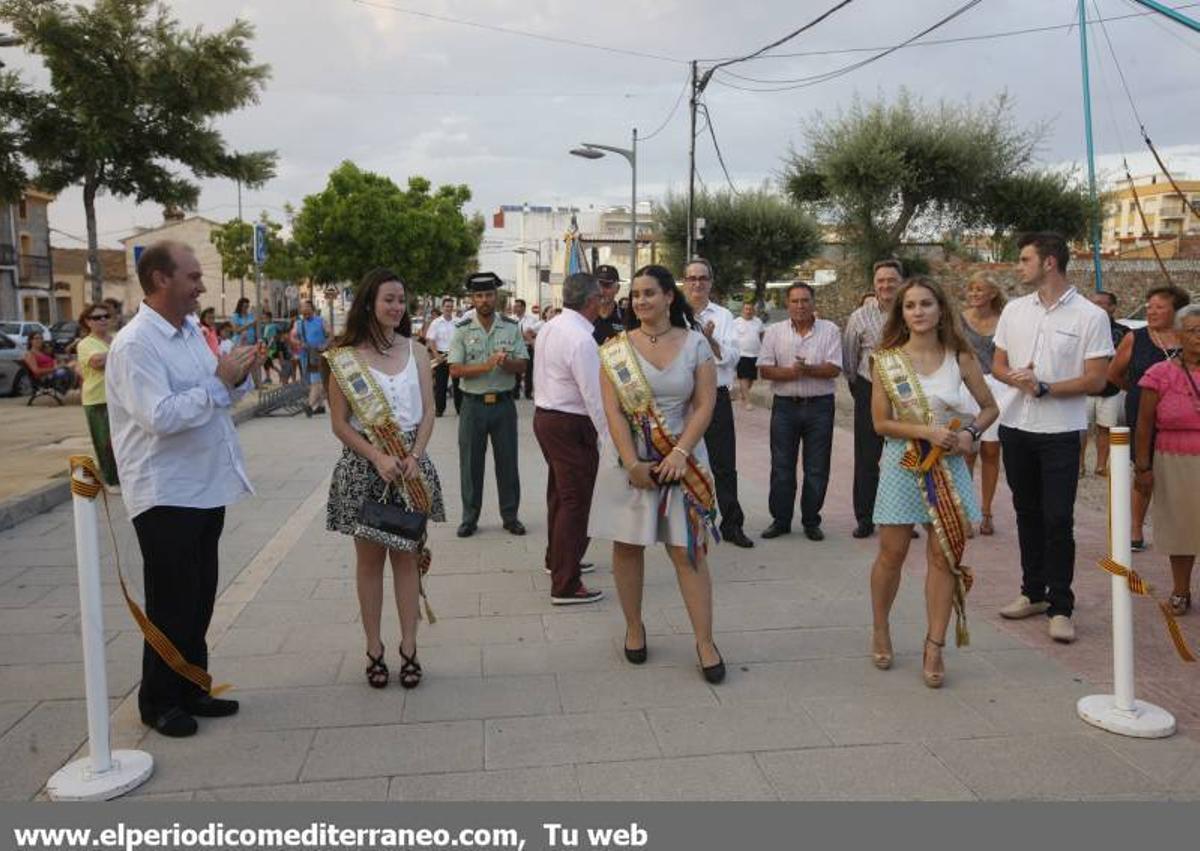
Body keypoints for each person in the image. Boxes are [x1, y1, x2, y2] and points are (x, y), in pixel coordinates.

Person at [106, 240, 259, 737]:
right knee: (171, 602)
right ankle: (159, 700)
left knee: (199, 598)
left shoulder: (191, 331)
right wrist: (220, 383)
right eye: (192, 277)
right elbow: (160, 417)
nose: (200, 287)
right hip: (165, 491)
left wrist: (237, 376)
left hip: (204, 485)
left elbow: (214, 392)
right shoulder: (135, 345)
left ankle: (193, 685)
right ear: (160, 281)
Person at [589, 264, 725, 682]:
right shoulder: (615, 348)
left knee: (688, 550)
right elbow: (612, 409)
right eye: (636, 294)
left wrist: (681, 452)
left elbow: (705, 404)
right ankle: (634, 627)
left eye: (650, 292)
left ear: (669, 296)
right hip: (628, 461)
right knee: (629, 547)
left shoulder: (696, 344)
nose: (641, 301)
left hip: (682, 457)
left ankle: (705, 641)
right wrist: (632, 463)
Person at [869, 277, 997, 688]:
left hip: (948, 466)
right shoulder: (886, 359)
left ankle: (934, 644)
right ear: (901, 313)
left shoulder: (960, 356)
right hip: (902, 462)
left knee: (944, 558)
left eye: (926, 304)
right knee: (892, 555)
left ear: (941, 309)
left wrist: (969, 436)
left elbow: (989, 407)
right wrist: (926, 433)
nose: (919, 312)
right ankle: (881, 628)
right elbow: (880, 422)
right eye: (910, 306)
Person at [325, 268, 444, 689]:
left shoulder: (417, 351)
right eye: (388, 299)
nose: (396, 307)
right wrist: (376, 456)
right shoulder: (344, 356)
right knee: (370, 563)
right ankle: (374, 647)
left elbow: (429, 411)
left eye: (400, 300)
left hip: (410, 468)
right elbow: (339, 423)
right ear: (369, 303)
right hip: (366, 469)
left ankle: (409, 647)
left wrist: (415, 454)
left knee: (407, 560)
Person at [993, 232, 1112, 643]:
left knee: (1058, 518)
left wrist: (1045, 387)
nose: (1018, 266)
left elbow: (1097, 380)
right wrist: (1015, 377)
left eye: (1024, 259)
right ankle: (1033, 593)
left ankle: (1062, 606)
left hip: (1060, 432)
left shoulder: (1090, 316)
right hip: (1015, 427)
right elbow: (998, 362)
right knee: (1026, 513)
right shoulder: (1013, 311)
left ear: (1049, 263)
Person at [532, 273, 607, 605]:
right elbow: (594, 396)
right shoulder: (581, 339)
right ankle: (566, 581)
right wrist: (610, 438)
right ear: (592, 301)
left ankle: (559, 558)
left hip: (547, 416)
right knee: (577, 501)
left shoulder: (551, 326)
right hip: (570, 423)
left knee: (561, 497)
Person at [756, 282, 842, 541]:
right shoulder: (774, 332)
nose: (800, 306)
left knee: (816, 468)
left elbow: (834, 368)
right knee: (782, 467)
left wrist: (808, 370)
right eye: (795, 301)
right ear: (787, 304)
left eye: (805, 300)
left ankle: (811, 520)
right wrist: (793, 372)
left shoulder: (830, 330)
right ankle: (780, 520)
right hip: (785, 407)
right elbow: (765, 369)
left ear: (813, 303)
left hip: (820, 407)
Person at [1108, 284, 1190, 551]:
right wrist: (1136, 391)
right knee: (1143, 468)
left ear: (1176, 312)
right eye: (1149, 306)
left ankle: (1179, 528)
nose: (1151, 311)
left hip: (1181, 417)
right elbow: (1114, 374)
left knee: (1178, 470)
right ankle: (1135, 530)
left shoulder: (1187, 338)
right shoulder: (1136, 338)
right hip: (1142, 412)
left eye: (1159, 307)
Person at [448, 271, 529, 538]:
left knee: (508, 463)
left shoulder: (510, 326)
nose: (484, 300)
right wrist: (487, 364)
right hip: (473, 405)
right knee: (470, 465)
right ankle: (469, 518)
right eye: (479, 295)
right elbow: (456, 370)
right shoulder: (461, 329)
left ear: (496, 296)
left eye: (489, 294)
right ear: (472, 298)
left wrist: (507, 363)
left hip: (504, 405)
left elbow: (523, 364)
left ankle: (510, 516)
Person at [682, 258, 753, 549]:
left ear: (711, 282)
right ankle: (686, 521)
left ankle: (732, 523)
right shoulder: (673, 314)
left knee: (724, 464)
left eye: (703, 278)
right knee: (683, 460)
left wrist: (708, 341)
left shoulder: (724, 316)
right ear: (684, 282)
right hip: (683, 399)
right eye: (692, 278)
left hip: (716, 397)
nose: (697, 283)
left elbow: (732, 358)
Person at [1134, 304, 1200, 617]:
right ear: (1177, 336)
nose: (1199, 337)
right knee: (1181, 529)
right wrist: (1143, 467)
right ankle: (1181, 590)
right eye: (1192, 331)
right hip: (1173, 460)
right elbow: (1144, 425)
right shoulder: (1159, 374)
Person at [843, 260, 904, 539]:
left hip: (907, 393)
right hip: (869, 389)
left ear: (901, 282)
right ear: (874, 283)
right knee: (867, 458)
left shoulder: (911, 312)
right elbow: (849, 357)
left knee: (904, 456)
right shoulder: (860, 317)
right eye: (881, 281)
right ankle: (865, 518)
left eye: (891, 280)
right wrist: (859, 389)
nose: (886, 285)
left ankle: (902, 517)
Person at [959, 272, 1012, 536]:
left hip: (997, 388)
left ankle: (987, 511)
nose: (975, 294)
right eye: (971, 289)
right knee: (966, 449)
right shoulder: (959, 320)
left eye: (980, 289)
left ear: (992, 293)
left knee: (991, 451)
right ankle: (967, 512)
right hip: (966, 386)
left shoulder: (1006, 320)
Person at [1082, 291, 1130, 478]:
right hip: (1084, 389)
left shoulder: (1124, 332)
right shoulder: (1080, 329)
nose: (1096, 306)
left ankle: (1101, 465)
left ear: (1112, 307)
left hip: (1111, 389)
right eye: (1093, 303)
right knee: (1080, 430)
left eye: (1101, 303)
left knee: (1106, 428)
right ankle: (1079, 465)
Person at [75, 303, 119, 487]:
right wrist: (121, 353)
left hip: (121, 398)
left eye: (105, 316)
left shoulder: (118, 338)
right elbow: (97, 362)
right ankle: (111, 481)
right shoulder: (85, 344)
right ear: (87, 322)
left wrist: (113, 353)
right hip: (98, 399)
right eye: (96, 317)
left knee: (122, 441)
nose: (102, 320)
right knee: (105, 443)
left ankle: (125, 478)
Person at [295, 298, 331, 416]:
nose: (305, 314)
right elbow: (292, 337)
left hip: (318, 355)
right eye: (303, 312)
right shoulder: (299, 323)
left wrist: (324, 345)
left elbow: (331, 335)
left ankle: (310, 406)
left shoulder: (321, 321)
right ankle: (320, 406)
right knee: (313, 382)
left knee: (316, 382)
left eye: (308, 312)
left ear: (313, 310)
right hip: (306, 356)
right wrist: (300, 343)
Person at [423, 297, 458, 416]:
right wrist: (436, 355)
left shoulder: (458, 322)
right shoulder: (436, 322)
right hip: (441, 355)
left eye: (451, 306)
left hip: (455, 356)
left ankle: (460, 409)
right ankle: (439, 409)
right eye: (447, 306)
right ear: (443, 308)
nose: (449, 308)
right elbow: (431, 339)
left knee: (457, 385)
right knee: (440, 385)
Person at [732, 300, 764, 410]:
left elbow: (761, 335)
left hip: (755, 354)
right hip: (742, 354)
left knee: (751, 379)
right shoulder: (735, 322)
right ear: (742, 310)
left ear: (754, 311)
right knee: (743, 377)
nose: (748, 311)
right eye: (746, 309)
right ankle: (747, 401)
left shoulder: (758, 322)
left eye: (751, 309)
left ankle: (743, 395)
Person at [513, 298, 541, 400]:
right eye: (515, 306)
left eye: (518, 306)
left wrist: (528, 334)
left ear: (523, 308)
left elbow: (535, 331)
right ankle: (515, 392)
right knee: (516, 370)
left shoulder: (532, 319)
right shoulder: (511, 319)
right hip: (515, 348)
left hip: (527, 347)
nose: (515, 308)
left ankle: (528, 392)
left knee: (529, 370)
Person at [592, 264, 626, 344]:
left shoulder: (627, 317)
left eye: (607, 286)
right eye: (598, 286)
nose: (601, 291)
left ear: (617, 288)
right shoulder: (585, 317)